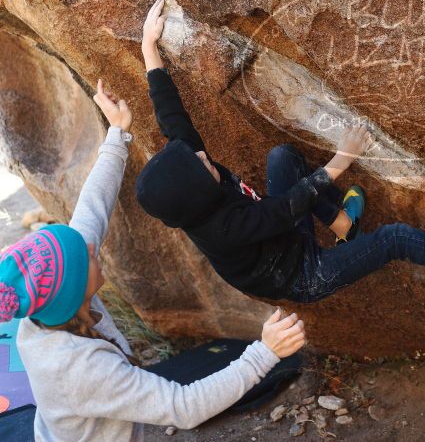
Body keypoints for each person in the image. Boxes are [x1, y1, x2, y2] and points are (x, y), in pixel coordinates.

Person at [135, 0, 425, 304]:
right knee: (393, 239)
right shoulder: (221, 228)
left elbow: (173, 121)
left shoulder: (191, 179)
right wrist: (341, 160)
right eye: (198, 163)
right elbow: (283, 209)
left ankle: (343, 226)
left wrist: (149, 49)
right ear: (197, 196)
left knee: (283, 157)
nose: (202, 155)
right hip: (302, 273)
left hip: (282, 237)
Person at [0, 81, 305, 441]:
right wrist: (265, 354)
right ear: (74, 292)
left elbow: (90, 213)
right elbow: (184, 407)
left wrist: (117, 135)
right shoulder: (80, 368)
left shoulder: (55, 307)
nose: (92, 248)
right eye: (87, 257)